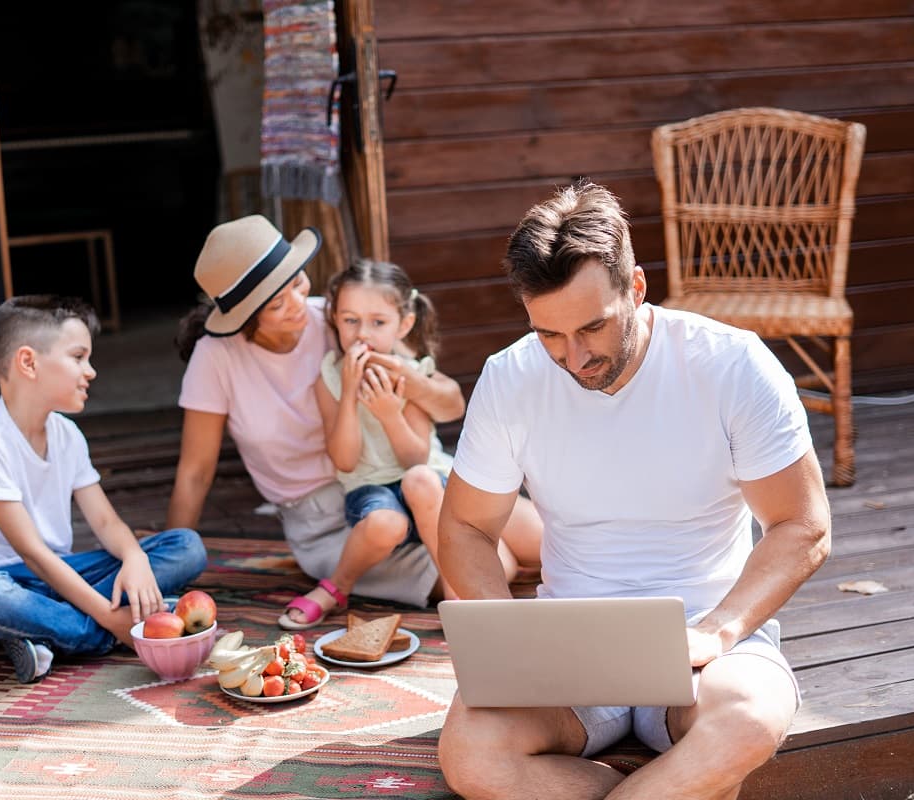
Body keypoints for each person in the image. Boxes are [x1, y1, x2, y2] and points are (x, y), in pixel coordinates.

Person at [436, 181, 832, 800]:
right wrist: (506, 637)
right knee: (471, 758)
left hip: (708, 642)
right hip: (567, 650)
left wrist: (720, 630)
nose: (573, 358)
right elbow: (465, 526)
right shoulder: (511, 376)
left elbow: (803, 525)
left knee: (751, 720)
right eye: (550, 335)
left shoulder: (731, 365)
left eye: (592, 328)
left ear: (638, 288)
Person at [165, 215, 542, 629]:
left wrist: (404, 386)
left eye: (297, 282)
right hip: (338, 518)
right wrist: (171, 565)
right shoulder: (216, 359)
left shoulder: (340, 318)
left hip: (411, 475)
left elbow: (447, 400)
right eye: (276, 303)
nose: (296, 303)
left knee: (544, 539)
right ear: (245, 317)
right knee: (496, 565)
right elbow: (196, 472)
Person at [0, 296, 209, 683]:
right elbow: (32, 553)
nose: (91, 371)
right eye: (78, 357)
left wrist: (134, 558)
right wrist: (113, 620)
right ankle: (115, 623)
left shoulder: (67, 434)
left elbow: (106, 522)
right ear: (28, 362)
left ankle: (42, 633)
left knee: (185, 546)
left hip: (57, 575)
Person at [297, 260, 483, 628]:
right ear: (334, 318)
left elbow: (416, 458)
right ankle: (336, 587)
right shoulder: (329, 379)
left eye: (378, 323)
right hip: (370, 492)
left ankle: (455, 593)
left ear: (404, 324)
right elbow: (345, 461)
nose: (362, 334)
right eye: (350, 320)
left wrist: (388, 414)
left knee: (421, 479)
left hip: (428, 497)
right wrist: (349, 392)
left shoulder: (408, 373)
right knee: (385, 523)